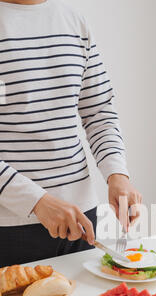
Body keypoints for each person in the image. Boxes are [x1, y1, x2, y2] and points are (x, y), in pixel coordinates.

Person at [0, 0, 142, 267]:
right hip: (10, 225)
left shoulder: (73, 21)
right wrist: (36, 201)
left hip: (80, 218)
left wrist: (117, 174)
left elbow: (98, 110)